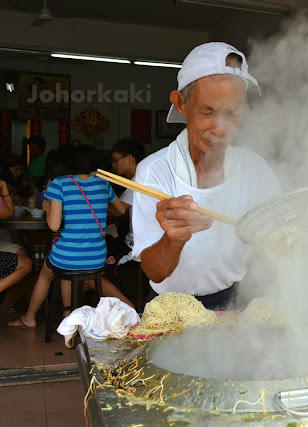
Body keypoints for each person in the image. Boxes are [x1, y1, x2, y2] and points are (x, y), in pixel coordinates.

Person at [131, 42, 281, 310]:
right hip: (170, 308)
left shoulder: (255, 170)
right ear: (180, 104)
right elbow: (155, 272)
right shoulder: (155, 171)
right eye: (208, 111)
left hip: (234, 302)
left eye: (232, 113)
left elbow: (280, 243)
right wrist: (173, 239)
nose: (220, 128)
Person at [9, 145, 134, 328]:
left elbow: (53, 225)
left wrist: (47, 206)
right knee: (66, 269)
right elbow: (121, 209)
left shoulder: (60, 183)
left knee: (47, 273)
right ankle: (69, 316)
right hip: (97, 255)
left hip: (68, 255)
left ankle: (30, 318)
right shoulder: (102, 183)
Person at [102, 138, 145, 285]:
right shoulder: (141, 178)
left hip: (136, 246)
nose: (113, 165)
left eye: (115, 160)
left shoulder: (139, 181)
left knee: (96, 266)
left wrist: (93, 205)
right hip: (139, 241)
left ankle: (124, 304)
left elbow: (118, 211)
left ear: (130, 159)